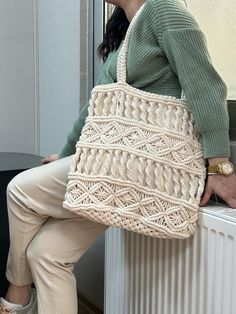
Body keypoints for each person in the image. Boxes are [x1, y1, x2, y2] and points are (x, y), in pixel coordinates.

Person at [1, 0, 236, 313]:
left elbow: (205, 87)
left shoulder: (164, 11)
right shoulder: (126, 28)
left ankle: (17, 295)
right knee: (46, 254)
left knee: (19, 189)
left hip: (144, 165)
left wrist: (219, 166)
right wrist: (68, 153)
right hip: (115, 166)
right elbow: (95, 109)